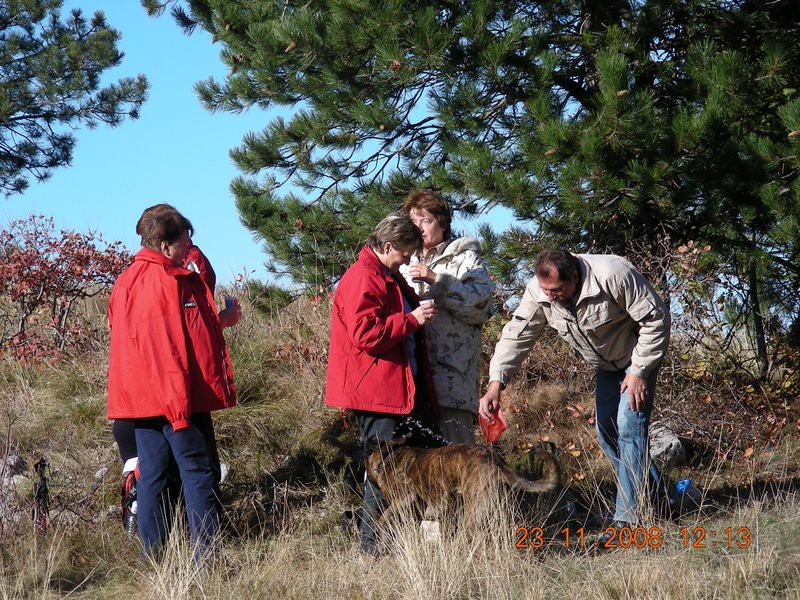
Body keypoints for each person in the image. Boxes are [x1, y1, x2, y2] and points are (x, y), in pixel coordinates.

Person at [479, 249, 670, 530]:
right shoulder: (539, 292)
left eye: (556, 290)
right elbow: (516, 336)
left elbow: (656, 319)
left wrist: (639, 372)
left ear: (574, 277)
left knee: (629, 428)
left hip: (638, 358)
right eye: (545, 289)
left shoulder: (613, 274)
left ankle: (629, 519)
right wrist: (497, 384)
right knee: (607, 432)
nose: (549, 296)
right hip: (606, 366)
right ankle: (658, 499)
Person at [107, 204, 238, 560]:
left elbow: (139, 344)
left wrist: (220, 321)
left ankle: (154, 558)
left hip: (141, 402)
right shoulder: (167, 283)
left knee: (152, 476)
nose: (189, 248)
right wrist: (179, 411)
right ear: (166, 245)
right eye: (185, 240)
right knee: (198, 474)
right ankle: (207, 560)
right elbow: (166, 351)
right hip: (175, 400)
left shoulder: (125, 282)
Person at [325, 214, 440, 557]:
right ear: (388, 246)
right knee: (383, 471)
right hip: (376, 393)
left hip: (398, 389)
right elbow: (365, 334)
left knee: (413, 465)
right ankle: (371, 549)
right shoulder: (363, 278)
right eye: (405, 254)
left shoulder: (386, 275)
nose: (408, 261)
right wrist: (411, 320)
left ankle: (409, 542)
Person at [400, 190, 494, 443]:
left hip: (451, 384)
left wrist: (436, 280)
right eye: (413, 221)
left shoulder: (465, 258)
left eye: (425, 220)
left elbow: (480, 308)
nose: (418, 227)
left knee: (458, 461)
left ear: (442, 222)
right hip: (413, 382)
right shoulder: (402, 261)